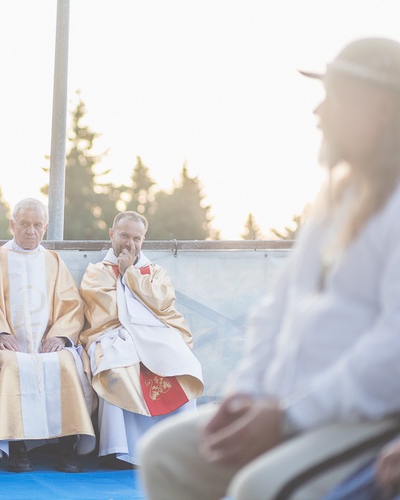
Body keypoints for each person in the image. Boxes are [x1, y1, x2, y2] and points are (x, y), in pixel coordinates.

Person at [138, 37, 400, 500]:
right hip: (286, 406)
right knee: (167, 453)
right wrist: (247, 394)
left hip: (373, 417)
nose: (319, 112)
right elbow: (275, 311)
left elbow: (392, 349)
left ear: (382, 106)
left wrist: (288, 417)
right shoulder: (336, 200)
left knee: (263, 488)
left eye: (335, 94)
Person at [0, 198, 95, 473]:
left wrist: (60, 337)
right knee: (11, 365)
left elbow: (71, 305)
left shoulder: (53, 262)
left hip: (48, 343)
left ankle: (66, 445)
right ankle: (17, 446)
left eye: (37, 225)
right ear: (12, 225)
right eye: (24, 224)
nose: (30, 231)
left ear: (45, 228)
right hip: (9, 345)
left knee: (65, 363)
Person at [79, 210, 203, 469]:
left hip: (156, 334)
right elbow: (108, 312)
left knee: (183, 362)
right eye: (124, 236)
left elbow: (163, 303)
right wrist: (127, 278)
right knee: (117, 365)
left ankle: (177, 448)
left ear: (143, 240)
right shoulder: (97, 272)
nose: (129, 243)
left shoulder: (155, 271)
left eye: (136, 238)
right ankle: (121, 450)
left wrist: (130, 274)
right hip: (115, 335)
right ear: (112, 234)